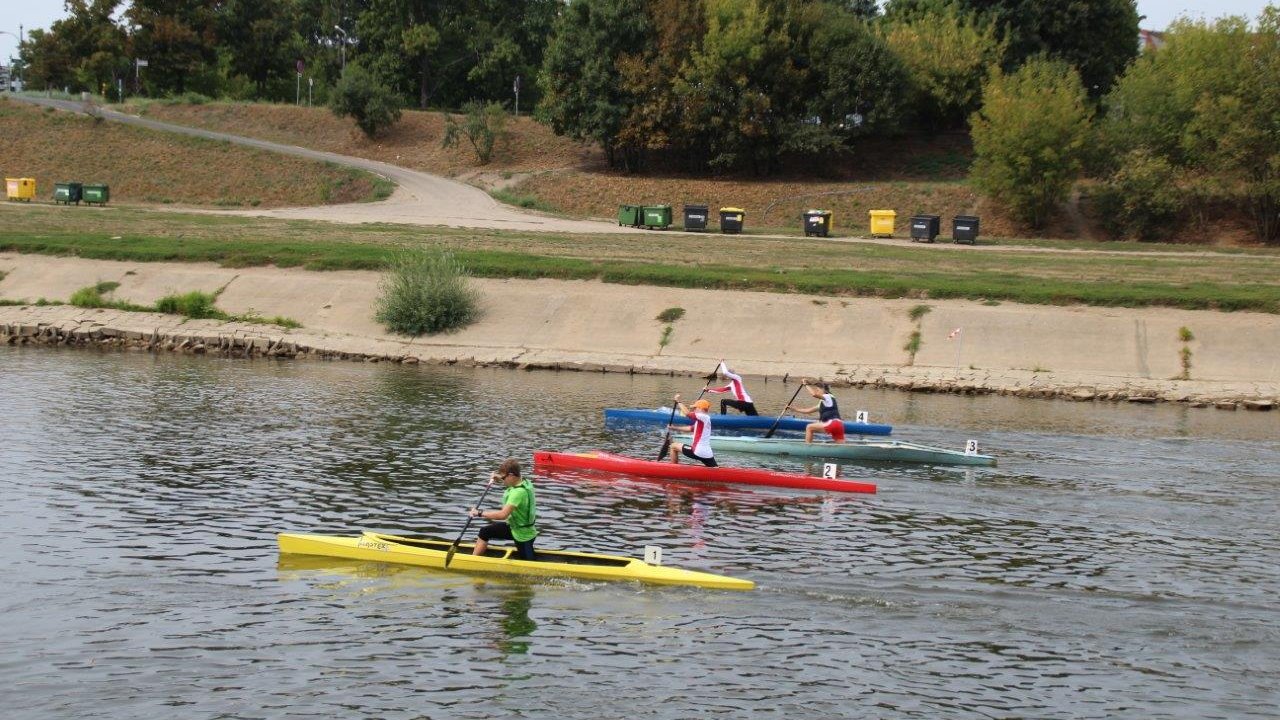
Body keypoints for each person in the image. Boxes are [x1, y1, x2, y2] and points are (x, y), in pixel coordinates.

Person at [470, 459, 538, 560]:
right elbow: (511, 480)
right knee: (485, 532)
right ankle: (472, 561)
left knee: (530, 563)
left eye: (504, 477)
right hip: (514, 527)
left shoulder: (517, 493)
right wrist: (499, 477)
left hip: (523, 534)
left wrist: (479, 513)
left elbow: (502, 515)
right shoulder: (525, 482)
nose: (503, 481)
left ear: (511, 475)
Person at [788, 380, 846, 444]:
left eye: (818, 390)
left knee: (809, 427)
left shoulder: (828, 396)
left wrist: (806, 385)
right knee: (841, 446)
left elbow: (814, 394)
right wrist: (793, 409)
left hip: (832, 423)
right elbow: (808, 411)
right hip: (839, 425)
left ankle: (807, 449)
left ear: (823, 389)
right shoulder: (823, 402)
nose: (817, 392)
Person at [668, 393, 718, 467]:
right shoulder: (704, 420)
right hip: (707, 454)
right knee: (715, 470)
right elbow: (690, 429)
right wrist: (674, 428)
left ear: (700, 409)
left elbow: (687, 413)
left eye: (695, 408)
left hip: (697, 451)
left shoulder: (703, 416)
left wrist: (678, 401)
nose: (694, 410)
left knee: (673, 446)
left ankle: (673, 470)